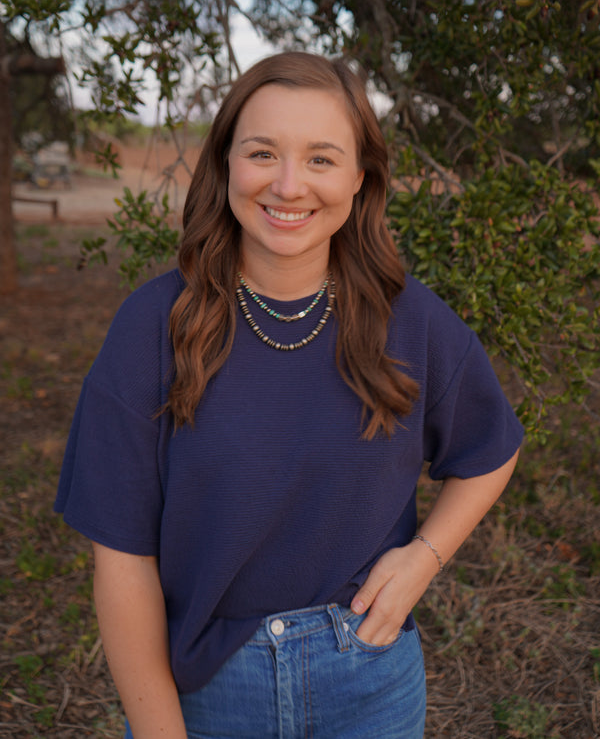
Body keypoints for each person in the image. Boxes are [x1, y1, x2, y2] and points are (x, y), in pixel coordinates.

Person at [55, 51, 522, 739]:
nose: (288, 184)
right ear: (225, 165)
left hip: (368, 680)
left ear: (360, 179)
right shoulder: (153, 328)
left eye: (322, 159)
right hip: (206, 692)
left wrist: (422, 559)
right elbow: (123, 561)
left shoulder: (412, 322)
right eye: (262, 152)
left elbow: (490, 450)